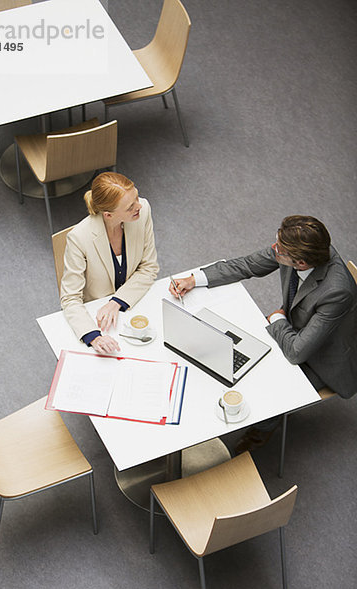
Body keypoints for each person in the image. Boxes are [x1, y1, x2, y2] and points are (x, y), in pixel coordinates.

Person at [169, 215, 357, 451]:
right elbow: (246, 265)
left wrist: (277, 319)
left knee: (267, 390)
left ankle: (264, 427)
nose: (272, 249)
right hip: (297, 327)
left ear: (300, 263)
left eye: (278, 249)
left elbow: (297, 352)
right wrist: (194, 279)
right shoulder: (300, 248)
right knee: (240, 355)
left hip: (323, 358)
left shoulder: (337, 292)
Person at [60, 172, 159, 354]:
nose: (138, 206)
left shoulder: (142, 210)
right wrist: (93, 336)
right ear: (108, 215)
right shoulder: (79, 238)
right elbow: (70, 298)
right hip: (99, 317)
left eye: (136, 197)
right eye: (130, 207)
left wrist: (116, 302)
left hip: (132, 304)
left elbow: (149, 267)